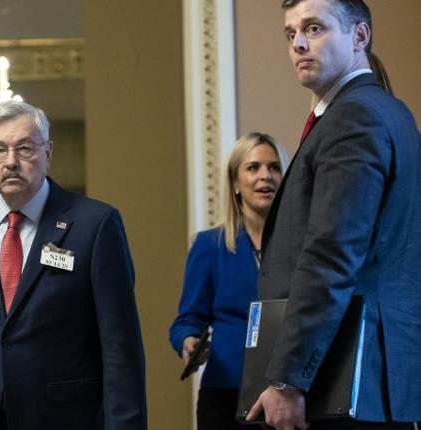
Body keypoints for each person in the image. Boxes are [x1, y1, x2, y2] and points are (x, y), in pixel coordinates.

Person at [246, 1, 421, 429]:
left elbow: (331, 255)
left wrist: (288, 380)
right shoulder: (392, 112)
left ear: (359, 37)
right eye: (290, 34)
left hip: (345, 380)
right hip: (377, 381)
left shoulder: (353, 117)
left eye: (314, 28)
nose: (299, 44)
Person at [0, 100, 147, 429]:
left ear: (48, 153)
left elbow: (120, 350)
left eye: (24, 148)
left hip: (63, 417)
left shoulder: (95, 226)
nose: (10, 162)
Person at [170, 132, 285, 430]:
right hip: (225, 396)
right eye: (253, 167)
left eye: (274, 167)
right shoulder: (209, 245)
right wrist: (188, 342)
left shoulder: (303, 246)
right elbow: (187, 320)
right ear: (235, 182)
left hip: (288, 394)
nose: (266, 176)